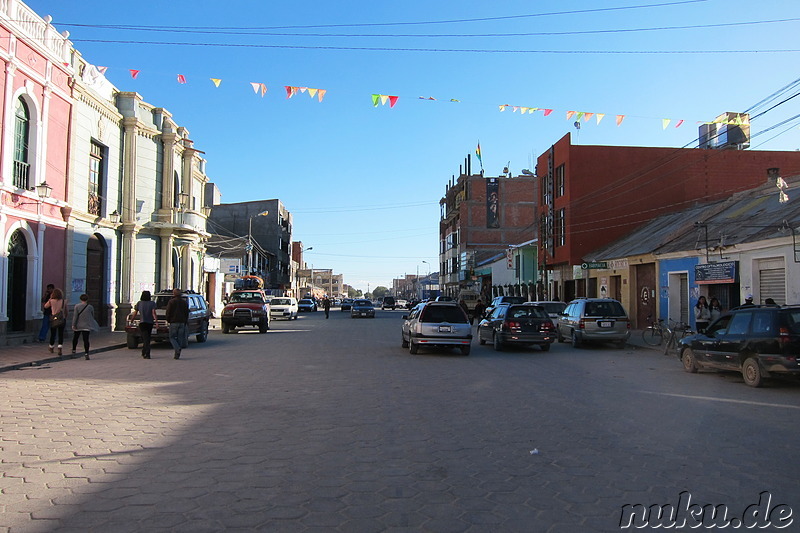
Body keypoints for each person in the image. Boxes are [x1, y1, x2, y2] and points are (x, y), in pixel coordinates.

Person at [132, 290, 158, 359]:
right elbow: (153, 313)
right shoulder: (152, 303)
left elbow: (135, 312)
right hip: (150, 323)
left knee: (145, 338)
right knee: (147, 338)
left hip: (142, 323)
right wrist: (156, 321)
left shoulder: (139, 303)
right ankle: (145, 352)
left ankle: (146, 353)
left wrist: (132, 319)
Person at [165, 288, 189, 359]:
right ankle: (177, 353)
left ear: (174, 294)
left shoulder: (171, 302)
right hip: (182, 322)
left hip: (174, 322)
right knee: (180, 338)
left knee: (172, 337)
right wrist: (185, 321)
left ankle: (177, 348)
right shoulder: (184, 302)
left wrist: (168, 320)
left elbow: (168, 312)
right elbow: (186, 313)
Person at [71, 293, 96, 360]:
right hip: (87, 326)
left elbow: (75, 316)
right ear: (87, 299)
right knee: (86, 340)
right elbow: (92, 316)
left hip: (78, 325)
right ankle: (86, 353)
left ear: (80, 299)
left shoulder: (77, 306)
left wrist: (73, 324)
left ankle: (73, 351)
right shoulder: (90, 307)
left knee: (75, 338)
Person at [44, 288, 67, 356]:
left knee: (53, 333)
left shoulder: (51, 301)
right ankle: (60, 346)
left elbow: (45, 306)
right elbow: (66, 311)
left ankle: (51, 346)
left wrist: (50, 299)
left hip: (54, 319)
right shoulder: (63, 301)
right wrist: (65, 316)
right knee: (61, 333)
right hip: (62, 319)